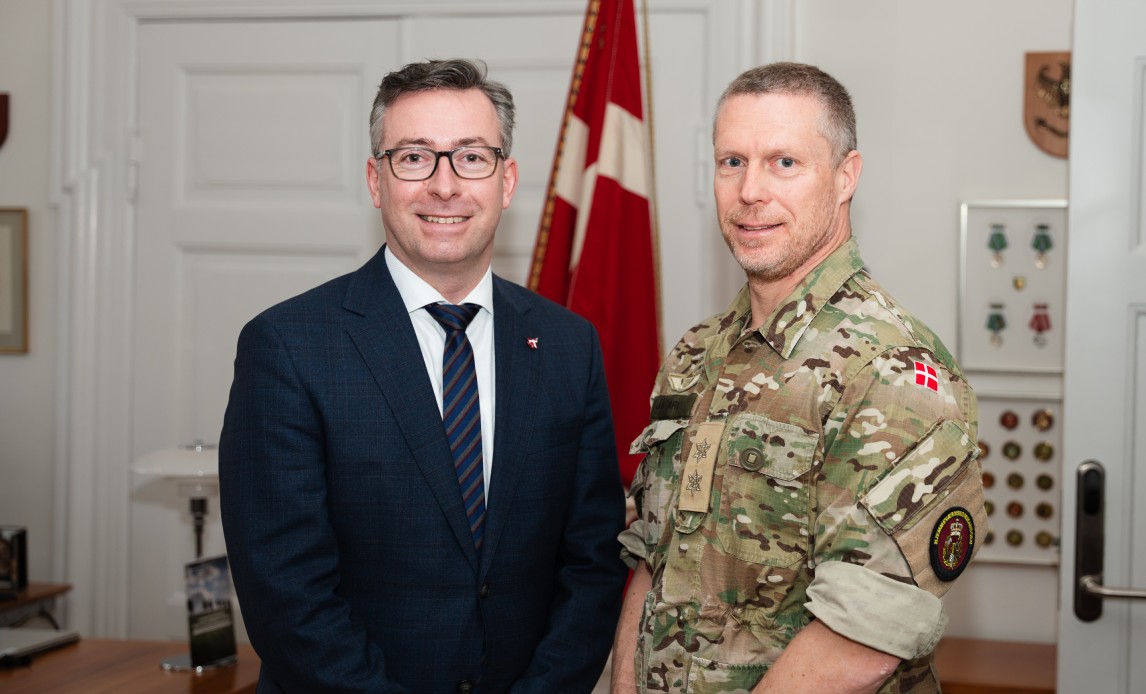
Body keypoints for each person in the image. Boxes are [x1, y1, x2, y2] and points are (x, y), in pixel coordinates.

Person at [219, 58, 628, 694]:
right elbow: (286, 594)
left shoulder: (569, 346)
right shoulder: (288, 347)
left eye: (471, 157)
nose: (444, 186)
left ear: (507, 179)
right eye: (414, 157)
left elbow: (593, 562)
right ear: (375, 180)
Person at [610, 62, 987, 693]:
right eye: (732, 161)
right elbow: (654, 557)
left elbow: (863, 640)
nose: (750, 191)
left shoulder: (892, 371)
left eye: (784, 163)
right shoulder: (698, 353)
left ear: (846, 177)